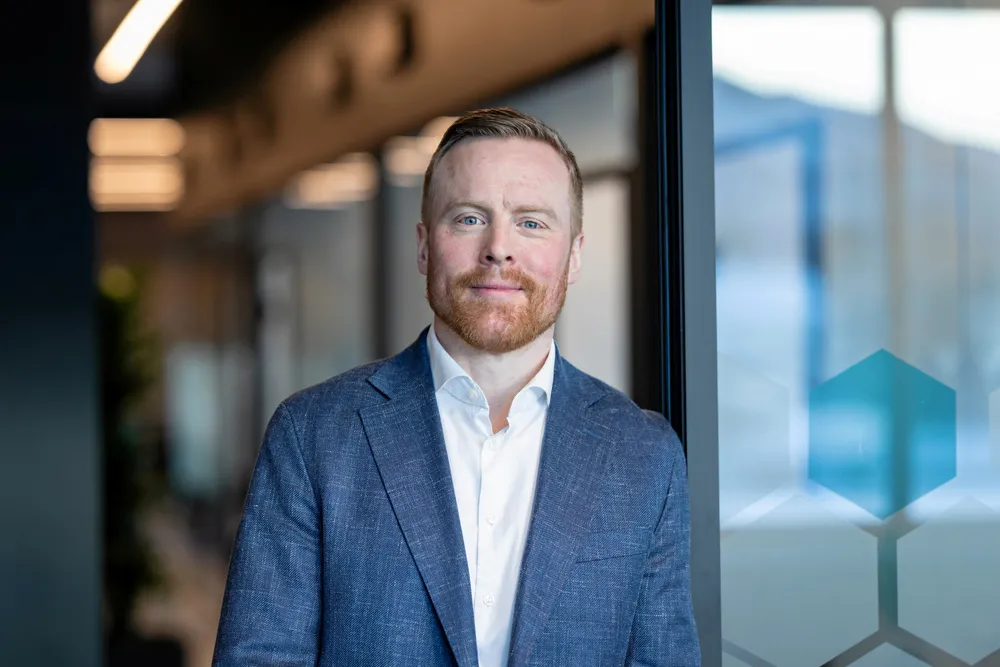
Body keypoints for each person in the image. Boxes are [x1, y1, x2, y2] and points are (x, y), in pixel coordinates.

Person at [212, 107, 700, 667]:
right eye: (469, 218)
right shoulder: (313, 436)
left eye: (532, 223)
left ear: (575, 256)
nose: (498, 248)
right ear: (424, 247)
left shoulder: (643, 455)